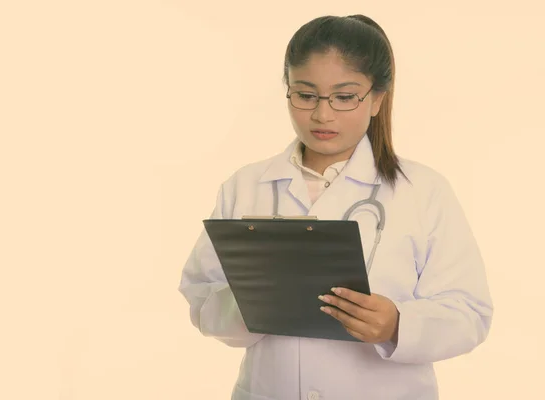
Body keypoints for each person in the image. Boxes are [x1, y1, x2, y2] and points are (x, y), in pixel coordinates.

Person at [178, 14, 493, 400]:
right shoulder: (245, 186)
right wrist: (249, 304)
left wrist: (397, 325)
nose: (322, 114)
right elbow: (200, 296)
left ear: (377, 99)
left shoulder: (423, 191)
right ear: (288, 90)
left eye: (344, 97)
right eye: (306, 94)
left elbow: (469, 314)